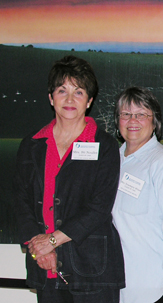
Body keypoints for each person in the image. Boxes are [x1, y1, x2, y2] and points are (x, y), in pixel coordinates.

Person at [13, 55, 125, 302]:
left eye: (79, 92)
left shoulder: (104, 146)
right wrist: (38, 249)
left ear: (89, 101)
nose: (70, 99)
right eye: (62, 90)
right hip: (45, 267)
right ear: (51, 98)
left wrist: (51, 241)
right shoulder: (31, 145)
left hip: (92, 268)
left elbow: (100, 207)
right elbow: (21, 200)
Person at [111, 87, 163, 303]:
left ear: (154, 121)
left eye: (141, 114)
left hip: (157, 288)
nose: (132, 120)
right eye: (126, 114)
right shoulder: (112, 161)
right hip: (120, 286)